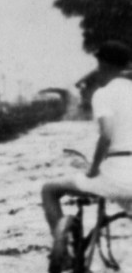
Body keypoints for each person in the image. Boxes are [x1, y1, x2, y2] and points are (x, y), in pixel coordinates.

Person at [41, 40, 132, 241]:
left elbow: (107, 135)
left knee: (49, 189)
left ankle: (63, 256)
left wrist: (93, 169)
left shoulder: (103, 93)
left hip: (117, 178)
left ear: (102, 64)